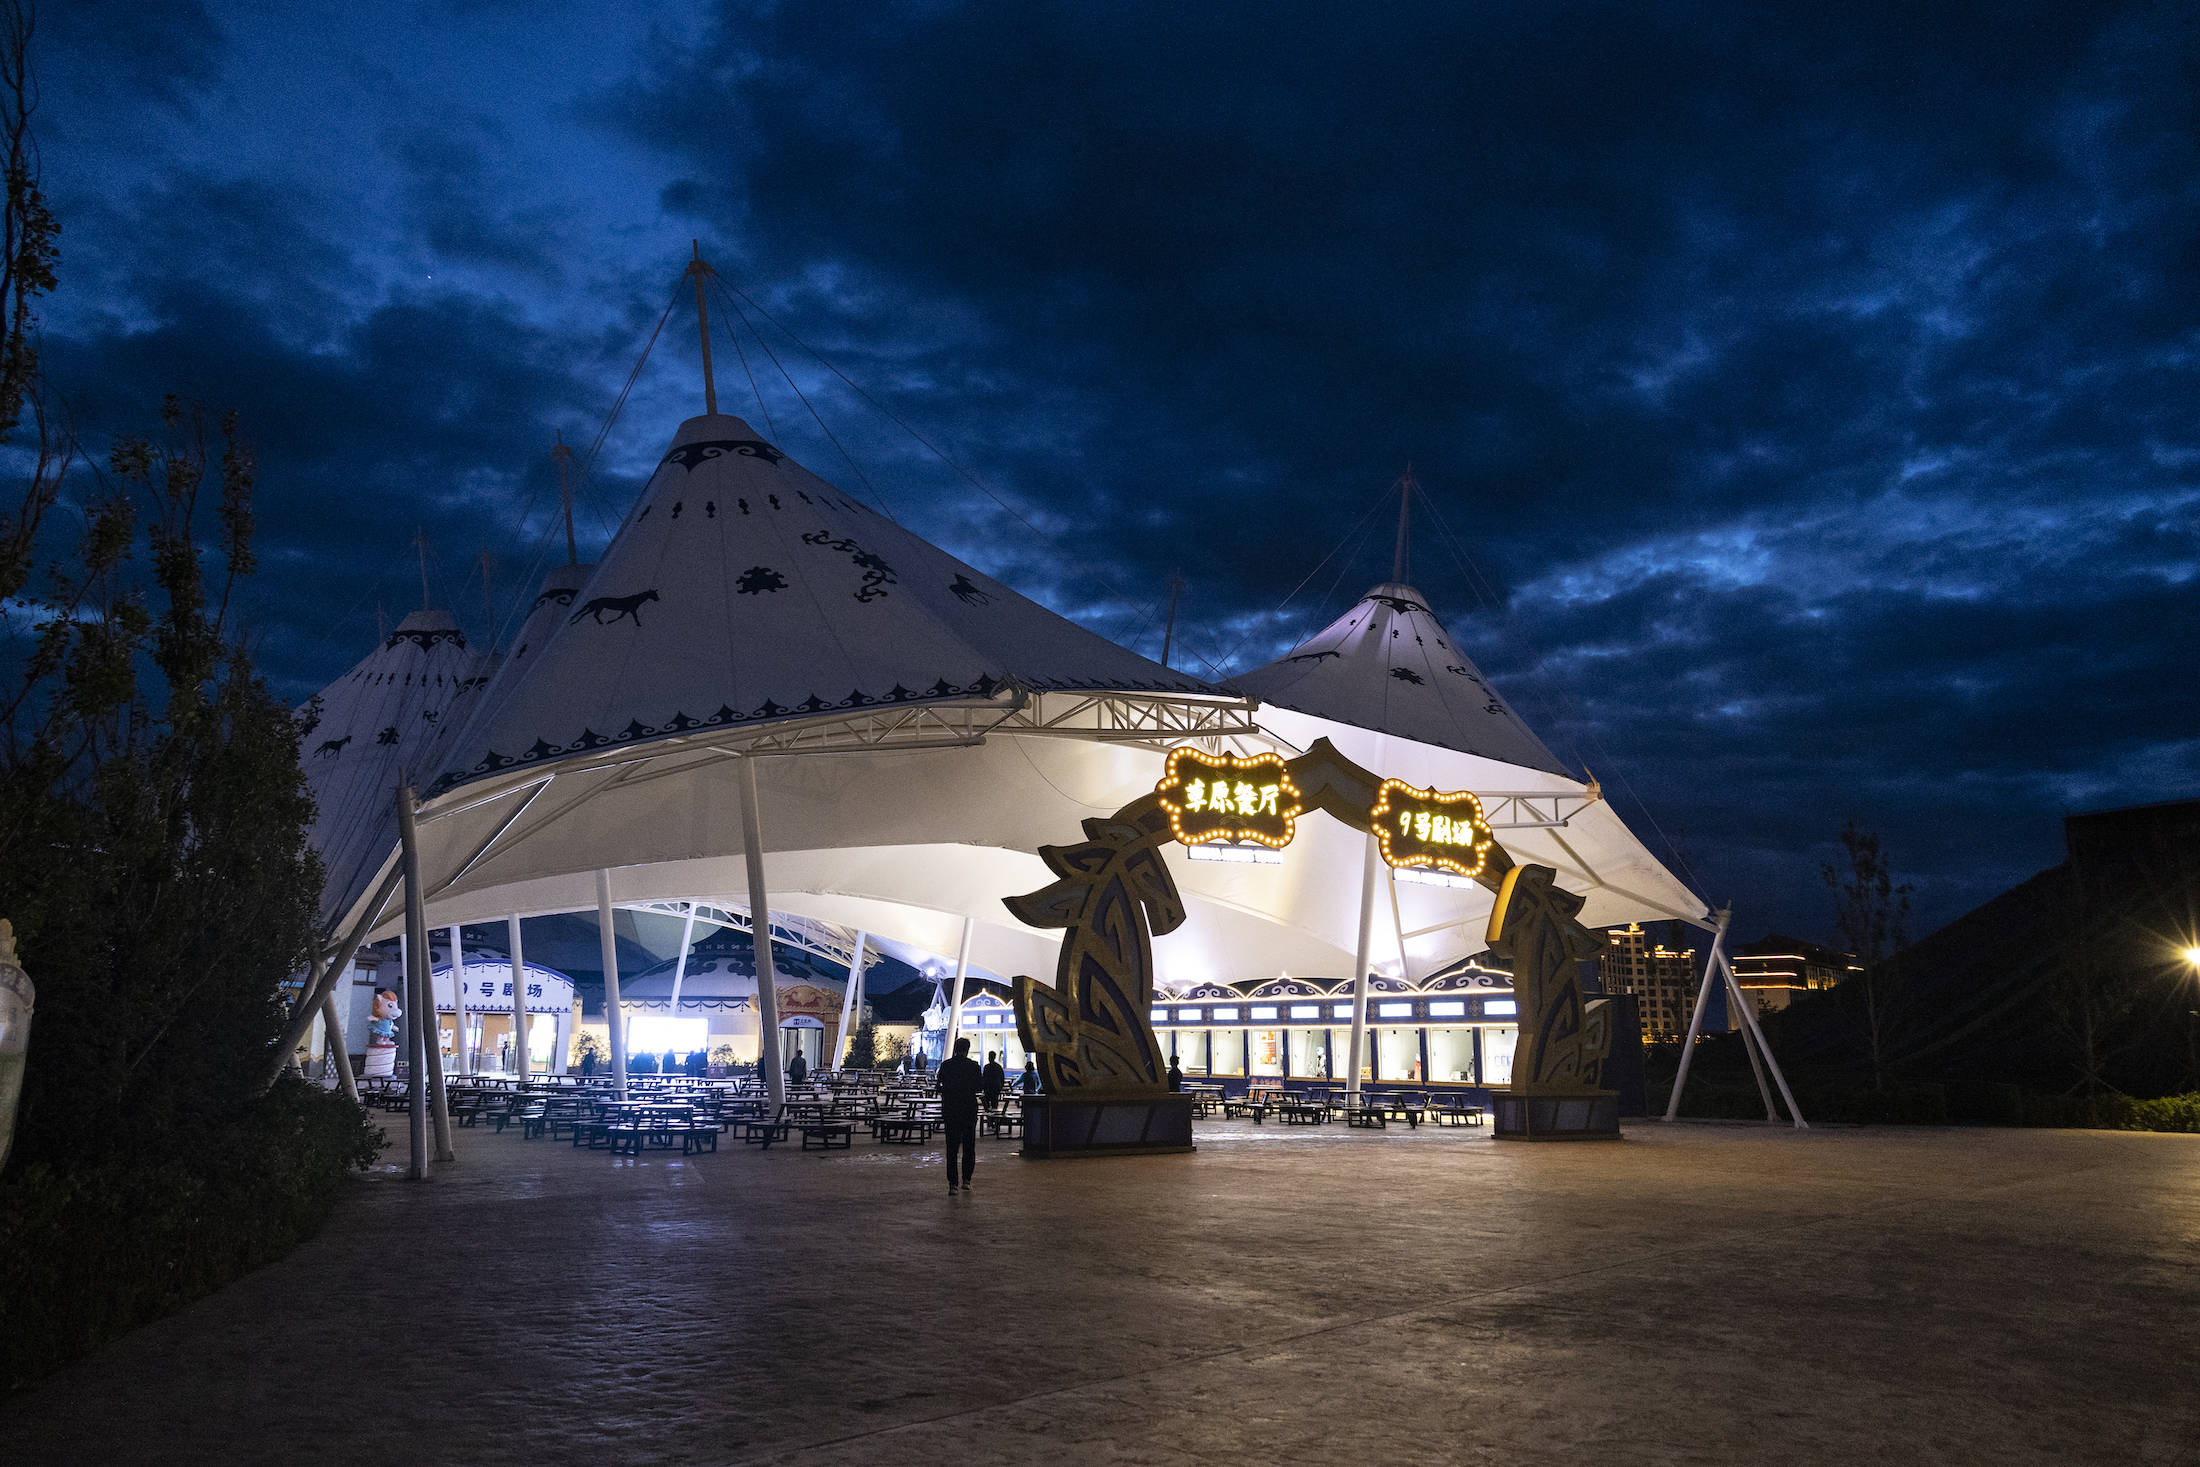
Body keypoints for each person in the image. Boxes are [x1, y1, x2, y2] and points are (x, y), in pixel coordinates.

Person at [936, 1037, 984, 1193]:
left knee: (952, 1148)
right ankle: (967, 1180)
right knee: (969, 1147)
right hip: (969, 1109)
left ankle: (953, 1184)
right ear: (967, 1049)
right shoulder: (974, 1066)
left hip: (951, 1109)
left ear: (955, 1048)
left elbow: (939, 1087)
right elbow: (979, 1087)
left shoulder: (946, 1066)